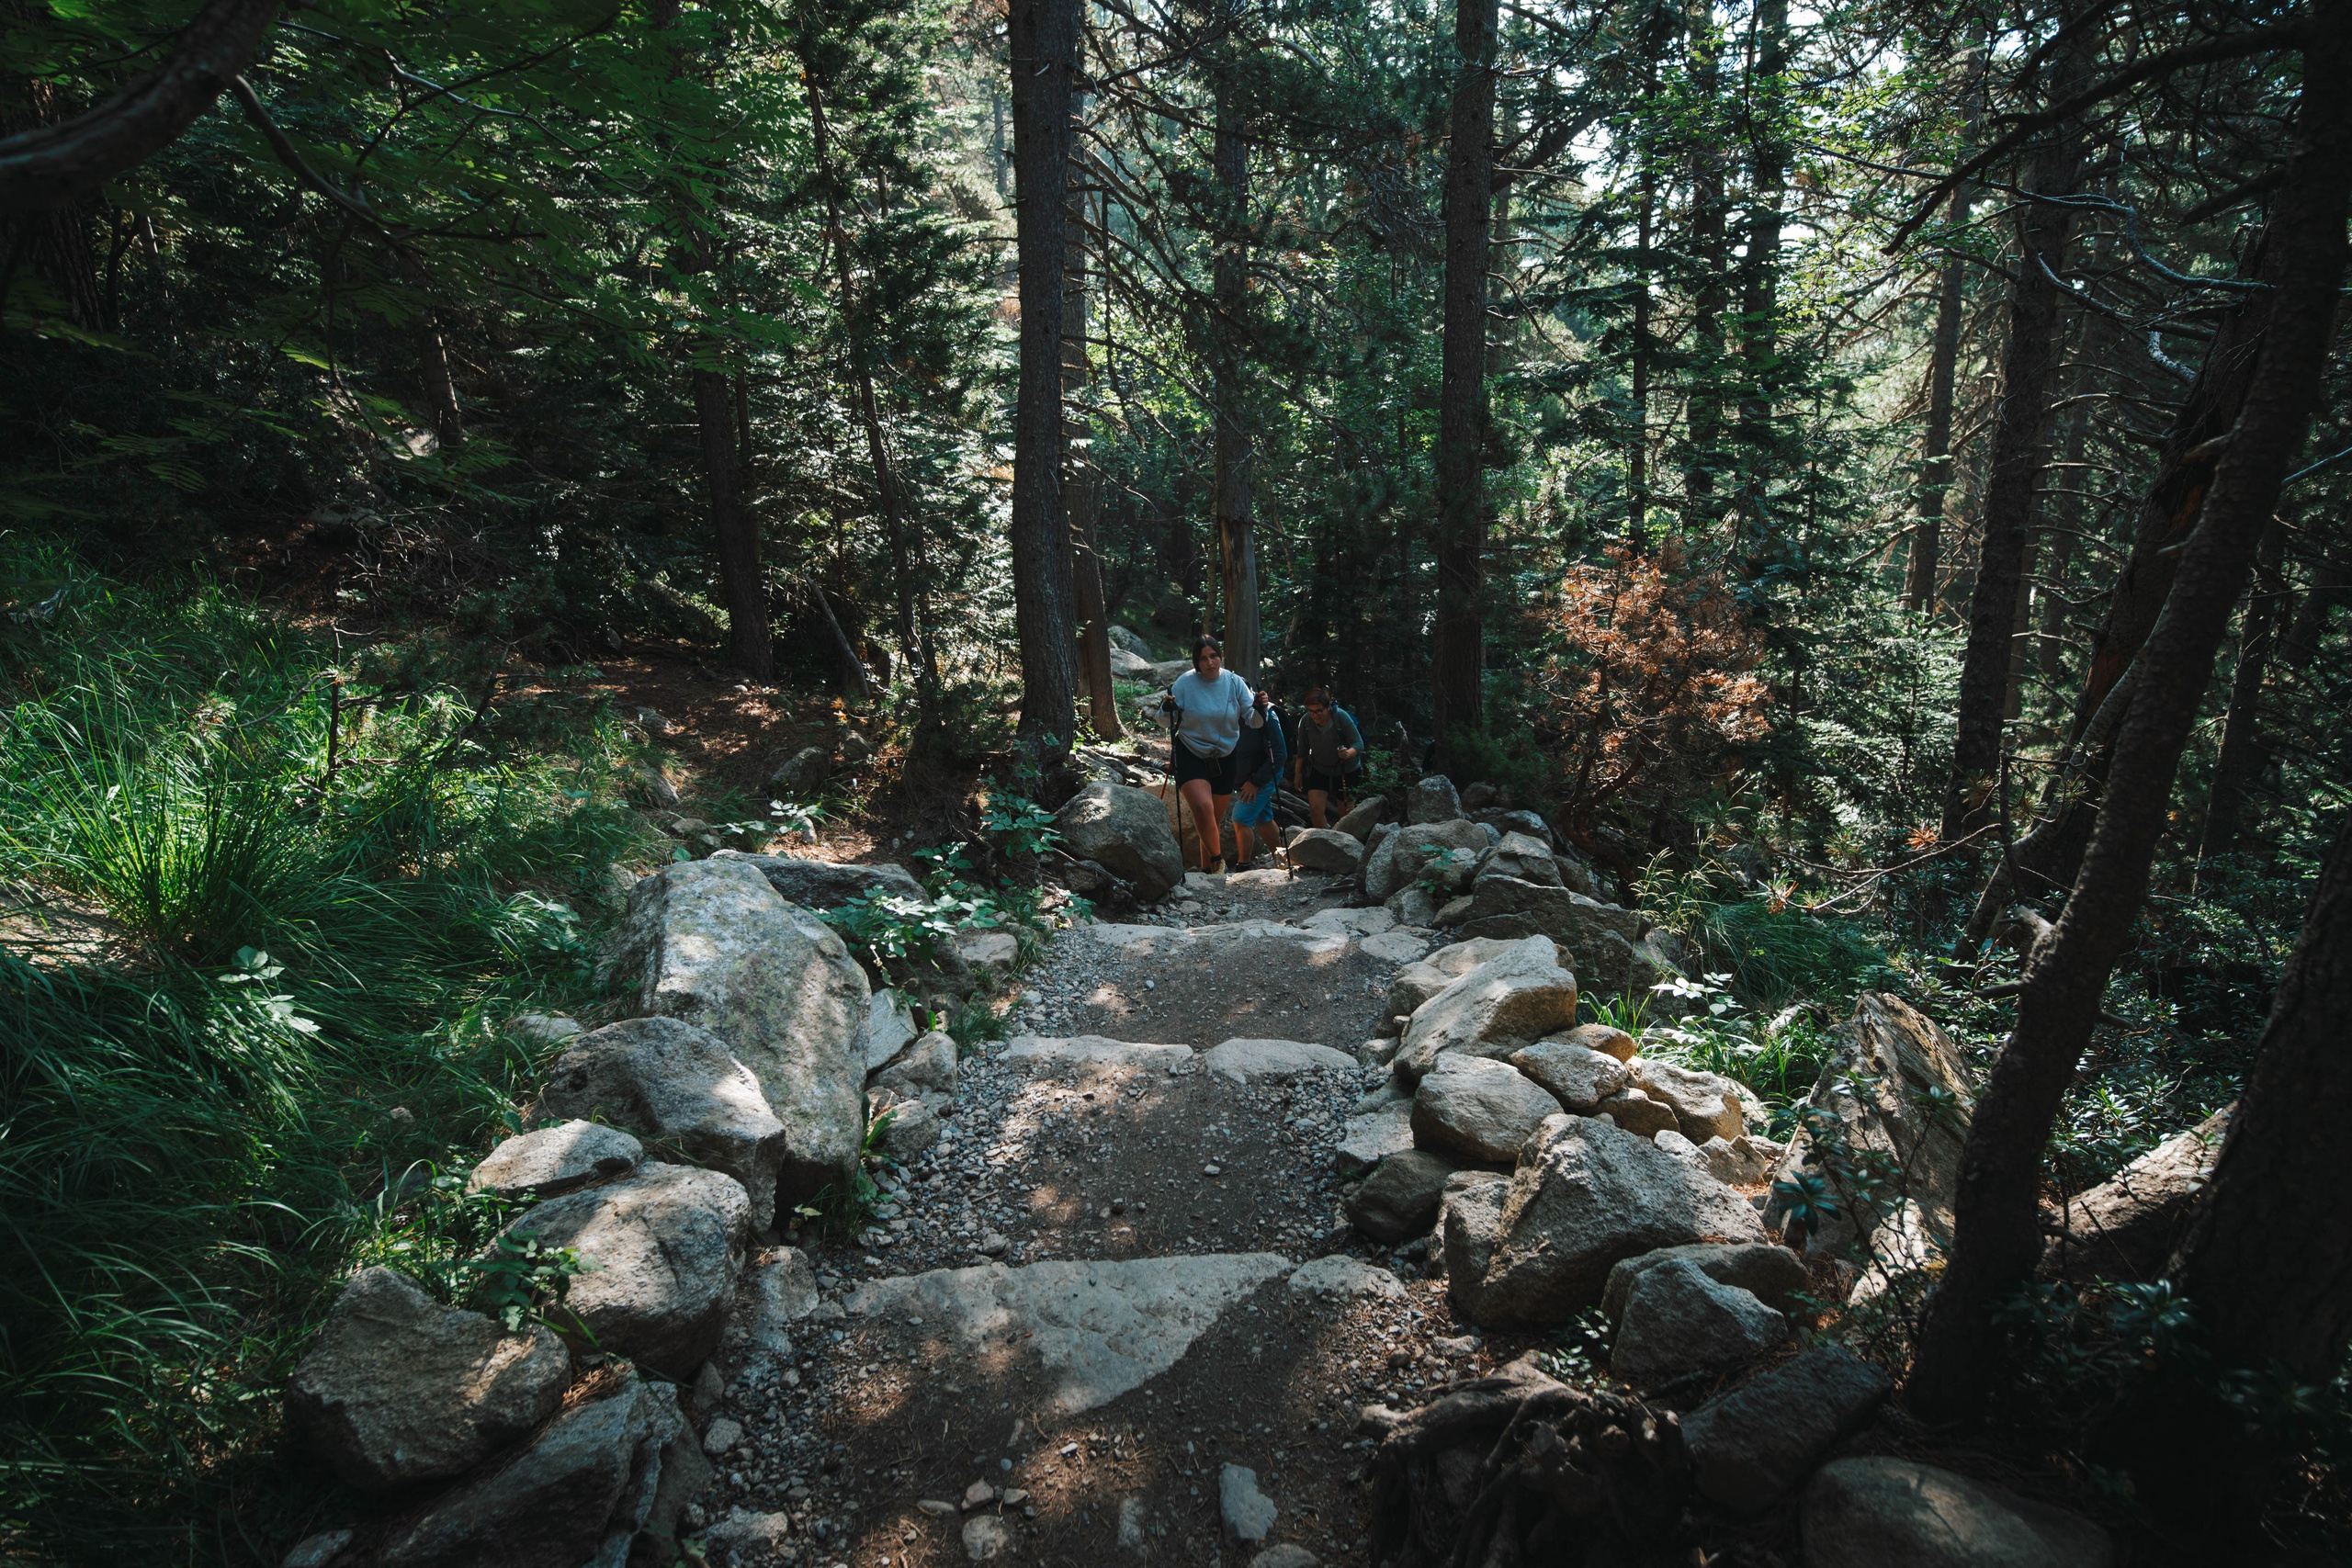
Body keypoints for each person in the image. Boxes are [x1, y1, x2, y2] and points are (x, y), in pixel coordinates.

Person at [1160, 634, 1265, 874]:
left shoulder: (1234, 682)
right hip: (1191, 752)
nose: (1210, 663)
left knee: (1212, 822)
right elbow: (1164, 720)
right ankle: (1218, 862)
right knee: (1202, 808)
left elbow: (1254, 720)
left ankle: (1209, 874)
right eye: (1203, 658)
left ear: (1221, 657)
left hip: (1225, 757)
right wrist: (1167, 708)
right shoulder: (1185, 683)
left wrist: (1262, 708)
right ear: (1196, 663)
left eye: (1214, 656)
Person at [1228, 688, 1289, 870]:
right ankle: (1282, 862)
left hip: (1266, 774)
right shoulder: (1231, 714)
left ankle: (1243, 866)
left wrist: (1256, 782)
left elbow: (1280, 754)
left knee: (1240, 818)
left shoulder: (1266, 714)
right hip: (1249, 777)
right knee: (1263, 818)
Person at [1293, 686, 1363, 829]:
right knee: (1315, 809)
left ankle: (1346, 844)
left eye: (1318, 710)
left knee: (1346, 814)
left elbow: (1359, 743)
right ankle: (1325, 840)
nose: (1314, 715)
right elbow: (1302, 751)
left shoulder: (1340, 717)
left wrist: (1347, 753)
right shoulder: (1306, 722)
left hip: (1346, 768)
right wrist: (1297, 774)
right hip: (1320, 766)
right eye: (1310, 711)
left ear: (1328, 708)